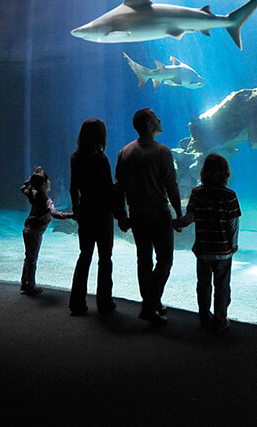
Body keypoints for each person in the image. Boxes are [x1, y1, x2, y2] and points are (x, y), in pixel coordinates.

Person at [114, 108, 182, 324]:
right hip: (159, 214)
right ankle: (150, 305)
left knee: (143, 260)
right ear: (149, 125)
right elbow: (171, 186)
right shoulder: (162, 151)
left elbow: (118, 189)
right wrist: (179, 215)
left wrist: (122, 217)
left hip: (137, 215)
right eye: (155, 118)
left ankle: (152, 302)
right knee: (165, 260)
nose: (160, 119)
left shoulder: (124, 152)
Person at [173, 153, 241, 333]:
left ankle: (204, 316)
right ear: (226, 173)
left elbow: (190, 217)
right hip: (223, 250)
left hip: (203, 249)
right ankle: (220, 319)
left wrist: (178, 223)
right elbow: (233, 224)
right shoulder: (230, 196)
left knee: (203, 284)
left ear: (203, 172)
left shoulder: (196, 193)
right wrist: (233, 245)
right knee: (222, 286)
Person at [68, 118, 119, 316]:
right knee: (105, 258)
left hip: (86, 210)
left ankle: (76, 303)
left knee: (84, 256)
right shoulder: (101, 158)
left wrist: (76, 210)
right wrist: (117, 212)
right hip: (102, 213)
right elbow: (108, 188)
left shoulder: (75, 157)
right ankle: (104, 303)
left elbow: (73, 187)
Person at [20, 166, 73, 295]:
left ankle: (24, 283)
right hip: (35, 233)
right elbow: (55, 214)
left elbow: (23, 188)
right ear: (44, 184)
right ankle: (30, 286)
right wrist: (72, 215)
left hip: (27, 230)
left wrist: (32, 177)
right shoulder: (47, 200)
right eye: (48, 181)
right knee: (32, 259)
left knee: (28, 257)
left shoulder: (34, 194)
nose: (50, 183)